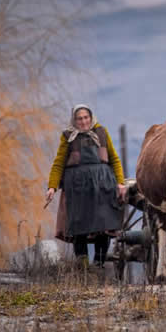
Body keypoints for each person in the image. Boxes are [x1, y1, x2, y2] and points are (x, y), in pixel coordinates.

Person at [46, 104, 126, 267]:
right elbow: (58, 163)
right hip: (77, 187)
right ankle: (82, 267)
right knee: (78, 225)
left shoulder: (102, 132)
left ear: (91, 118)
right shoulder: (68, 136)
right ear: (74, 120)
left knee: (104, 225)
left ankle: (99, 264)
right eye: (79, 118)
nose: (83, 121)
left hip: (102, 184)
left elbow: (114, 159)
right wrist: (52, 187)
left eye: (86, 118)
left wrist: (120, 183)